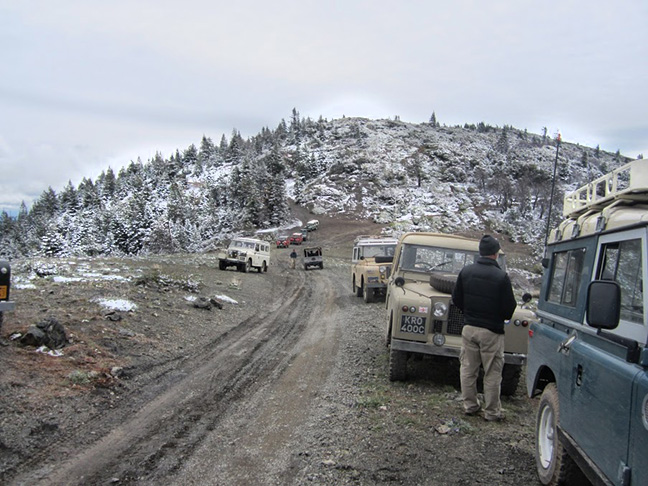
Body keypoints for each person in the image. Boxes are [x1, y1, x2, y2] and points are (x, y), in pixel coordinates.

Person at [451, 235, 517, 422]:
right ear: (496, 254)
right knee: (492, 372)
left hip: (469, 327)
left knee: (468, 369)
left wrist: (469, 313)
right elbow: (509, 307)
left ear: (480, 252)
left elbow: (456, 299)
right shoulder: (501, 277)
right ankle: (492, 412)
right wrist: (499, 317)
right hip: (492, 331)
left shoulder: (466, 272)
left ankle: (470, 405)